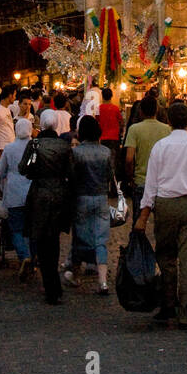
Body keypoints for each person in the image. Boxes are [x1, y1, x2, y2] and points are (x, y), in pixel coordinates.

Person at [135, 102, 187, 328]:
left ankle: (168, 304)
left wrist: (143, 216)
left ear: (169, 121)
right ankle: (185, 311)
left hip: (165, 206)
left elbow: (150, 186)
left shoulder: (160, 147)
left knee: (166, 256)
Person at [20, 117, 72, 304]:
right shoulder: (64, 146)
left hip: (40, 195)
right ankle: (53, 285)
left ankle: (51, 286)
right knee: (54, 239)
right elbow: (71, 172)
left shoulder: (35, 145)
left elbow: (24, 168)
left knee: (41, 240)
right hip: (59, 195)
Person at [64, 117, 114, 295]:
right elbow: (109, 175)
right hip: (101, 197)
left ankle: (75, 274)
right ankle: (103, 282)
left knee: (80, 237)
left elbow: (71, 176)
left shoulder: (76, 153)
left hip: (82, 198)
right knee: (101, 240)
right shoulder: (106, 152)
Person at [0, 117, 35, 279]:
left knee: (17, 228)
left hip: (14, 193)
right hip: (32, 192)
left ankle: (23, 255)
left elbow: (0, 171)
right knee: (30, 228)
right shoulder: (35, 148)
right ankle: (30, 257)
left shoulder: (10, 148)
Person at [124, 93, 171, 220]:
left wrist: (130, 178)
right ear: (157, 110)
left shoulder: (134, 129)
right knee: (162, 224)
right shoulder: (167, 129)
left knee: (138, 223)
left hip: (141, 181)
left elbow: (129, 159)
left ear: (140, 111)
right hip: (162, 182)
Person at [97, 87, 123, 167]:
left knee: (104, 161)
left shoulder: (99, 108)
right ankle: (114, 177)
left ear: (102, 96)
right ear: (111, 96)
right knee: (114, 161)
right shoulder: (115, 108)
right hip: (114, 138)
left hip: (103, 138)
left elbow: (97, 121)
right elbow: (121, 122)